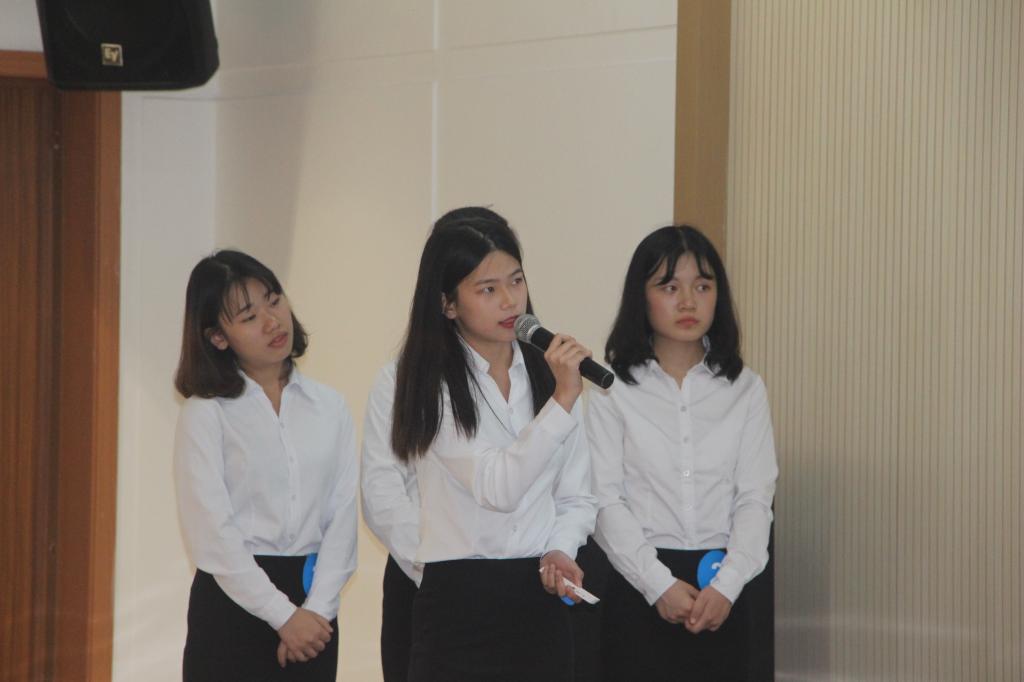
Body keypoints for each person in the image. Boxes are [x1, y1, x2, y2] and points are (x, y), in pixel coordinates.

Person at [365, 206, 596, 681]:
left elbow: (577, 494)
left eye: (516, 281)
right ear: (448, 304)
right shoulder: (426, 382)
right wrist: (427, 563)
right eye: (488, 289)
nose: (510, 301)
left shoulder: (548, 375)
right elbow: (497, 487)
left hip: (539, 600)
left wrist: (560, 548)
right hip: (456, 600)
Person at [588, 225, 778, 681]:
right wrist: (658, 585)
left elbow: (755, 498)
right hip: (639, 584)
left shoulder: (745, 388)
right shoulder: (611, 389)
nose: (689, 302)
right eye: (670, 287)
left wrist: (728, 585)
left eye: (703, 286)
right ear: (641, 296)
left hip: (726, 587)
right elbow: (604, 499)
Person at [173, 250, 358, 682]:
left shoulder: (329, 406)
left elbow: (343, 517)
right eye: (249, 316)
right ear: (218, 338)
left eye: (274, 301)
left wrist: (317, 611)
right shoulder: (206, 413)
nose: (273, 321)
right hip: (233, 602)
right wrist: (283, 616)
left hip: (314, 610)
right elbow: (212, 534)